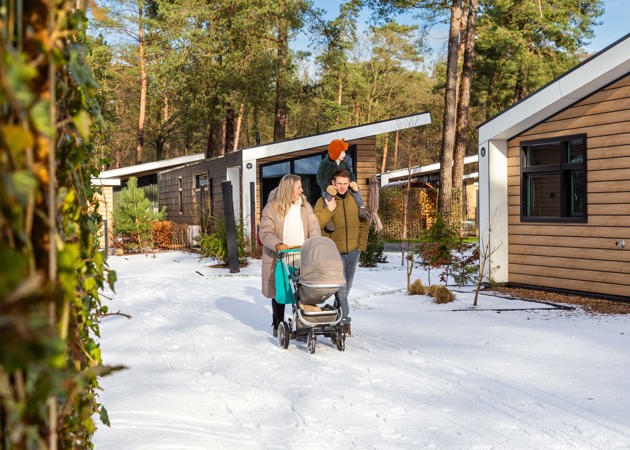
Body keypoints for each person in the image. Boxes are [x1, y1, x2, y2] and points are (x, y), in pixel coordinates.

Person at [259, 174, 321, 337]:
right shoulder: (272, 207)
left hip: (302, 254)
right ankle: (278, 323)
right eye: (299, 187)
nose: (302, 190)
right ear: (288, 189)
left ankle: (302, 323)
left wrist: (314, 242)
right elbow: (265, 232)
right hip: (280, 255)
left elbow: (314, 227)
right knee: (280, 290)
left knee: (303, 290)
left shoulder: (305, 206)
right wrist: (277, 243)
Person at [314, 169, 369, 336]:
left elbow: (364, 222)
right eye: (339, 183)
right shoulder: (324, 200)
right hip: (334, 252)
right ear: (333, 183)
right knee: (342, 288)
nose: (342, 187)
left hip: (353, 250)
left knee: (347, 287)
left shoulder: (355, 199)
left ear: (349, 183)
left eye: (345, 183)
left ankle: (335, 314)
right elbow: (316, 223)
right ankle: (345, 320)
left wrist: (361, 245)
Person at [316, 138, 370, 232]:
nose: (344, 154)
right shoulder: (324, 163)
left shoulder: (344, 162)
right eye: (342, 152)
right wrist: (326, 186)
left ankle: (361, 208)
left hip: (343, 185)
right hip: (329, 186)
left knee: (356, 190)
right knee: (327, 198)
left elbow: (350, 173)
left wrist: (353, 181)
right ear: (335, 152)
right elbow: (319, 177)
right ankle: (328, 220)